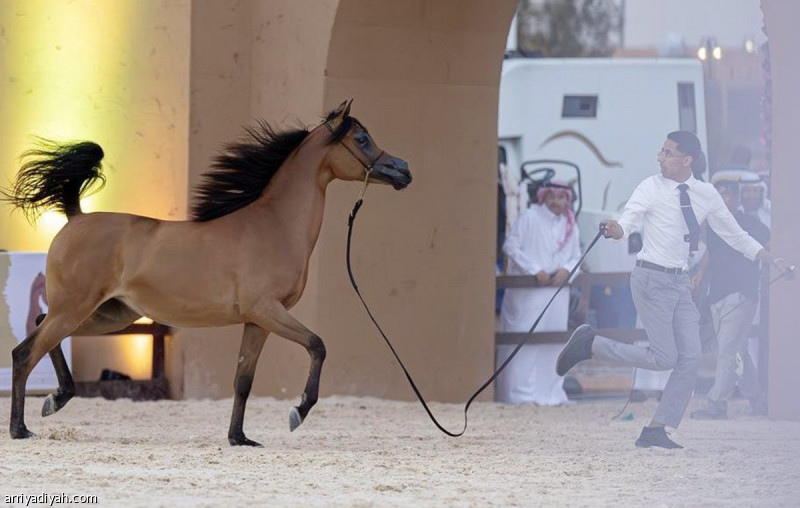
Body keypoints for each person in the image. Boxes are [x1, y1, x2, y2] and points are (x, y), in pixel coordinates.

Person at [555, 131, 791, 449]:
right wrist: (615, 229)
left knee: (690, 357)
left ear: (686, 160)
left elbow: (736, 235)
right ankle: (591, 345)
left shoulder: (706, 194)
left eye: (668, 153)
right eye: (661, 151)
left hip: (679, 282)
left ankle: (657, 428)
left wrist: (769, 259)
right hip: (650, 278)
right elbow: (628, 222)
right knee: (665, 357)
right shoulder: (650, 187)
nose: (660, 157)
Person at [690, 178, 769, 419]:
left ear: (735, 197)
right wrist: (701, 273)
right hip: (717, 296)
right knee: (737, 351)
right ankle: (757, 397)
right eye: (717, 193)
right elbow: (710, 252)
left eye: (725, 193)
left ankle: (716, 403)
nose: (721, 198)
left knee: (726, 350)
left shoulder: (750, 224)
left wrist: (776, 266)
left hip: (741, 295)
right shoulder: (713, 225)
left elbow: (769, 245)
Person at [496, 181, 581, 405]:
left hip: (557, 294)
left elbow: (577, 256)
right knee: (524, 342)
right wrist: (535, 270)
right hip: (528, 294)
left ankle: (550, 395)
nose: (556, 202)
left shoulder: (570, 223)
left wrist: (567, 270)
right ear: (544, 197)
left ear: (567, 200)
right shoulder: (530, 217)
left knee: (553, 344)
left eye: (561, 197)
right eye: (552, 197)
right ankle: (519, 396)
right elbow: (511, 246)